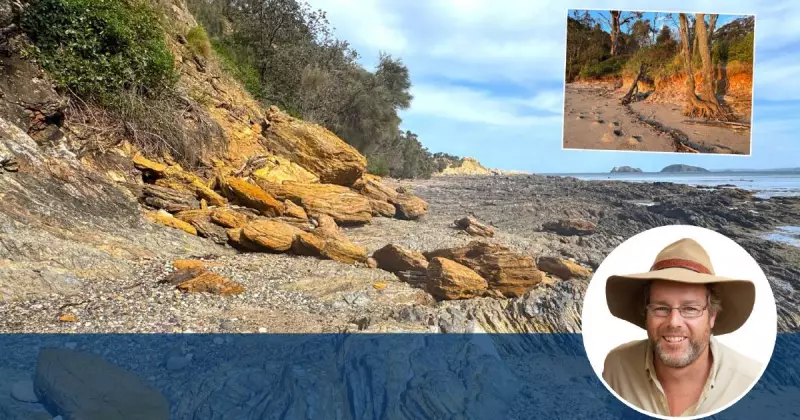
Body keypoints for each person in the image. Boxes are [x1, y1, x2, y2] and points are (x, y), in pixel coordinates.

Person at [602, 238, 763, 417]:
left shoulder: (751, 382)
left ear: (712, 316)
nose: (674, 322)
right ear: (646, 313)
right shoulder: (617, 367)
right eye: (661, 308)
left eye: (690, 309)